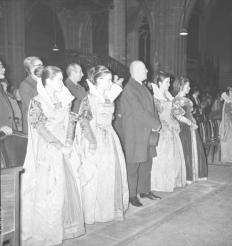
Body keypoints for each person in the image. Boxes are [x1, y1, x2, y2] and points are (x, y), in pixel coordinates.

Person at [21, 66, 85, 246]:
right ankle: (48, 231)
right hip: (48, 148)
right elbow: (39, 127)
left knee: (65, 187)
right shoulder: (37, 101)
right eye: (58, 79)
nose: (61, 82)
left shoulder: (65, 97)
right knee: (49, 190)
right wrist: (58, 146)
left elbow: (70, 120)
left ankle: (63, 227)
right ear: (48, 81)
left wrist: (69, 141)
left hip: (64, 145)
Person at [77, 65, 129, 224]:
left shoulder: (106, 96)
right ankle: (95, 212)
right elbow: (83, 121)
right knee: (96, 175)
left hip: (110, 137)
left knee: (110, 173)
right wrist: (92, 142)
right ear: (98, 80)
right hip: (95, 137)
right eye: (107, 79)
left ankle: (108, 209)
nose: (110, 82)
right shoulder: (90, 98)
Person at [118, 60, 161, 207]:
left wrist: (155, 123)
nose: (147, 71)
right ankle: (131, 195)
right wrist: (155, 124)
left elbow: (151, 109)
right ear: (135, 71)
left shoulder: (141, 86)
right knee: (134, 165)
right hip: (135, 133)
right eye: (144, 69)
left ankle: (144, 190)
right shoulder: (130, 89)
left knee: (146, 162)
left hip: (146, 131)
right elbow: (138, 111)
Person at [151, 71, 186, 192]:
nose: (169, 84)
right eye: (167, 82)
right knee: (163, 156)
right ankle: (161, 182)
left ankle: (172, 180)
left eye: (169, 82)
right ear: (159, 83)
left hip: (171, 129)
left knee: (174, 155)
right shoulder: (155, 98)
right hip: (162, 130)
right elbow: (157, 114)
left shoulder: (168, 96)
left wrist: (174, 103)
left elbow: (178, 111)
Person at [172, 76, 208, 183]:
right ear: (181, 86)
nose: (189, 88)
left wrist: (193, 122)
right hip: (183, 128)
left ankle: (195, 174)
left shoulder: (187, 99)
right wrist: (190, 123)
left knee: (194, 149)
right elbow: (178, 116)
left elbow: (189, 114)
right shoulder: (176, 100)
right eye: (187, 86)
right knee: (186, 150)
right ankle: (187, 176)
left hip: (191, 126)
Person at [19, 56, 43, 133]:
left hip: (44, 124)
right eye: (39, 65)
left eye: (42, 65)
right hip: (33, 125)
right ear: (30, 68)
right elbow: (32, 107)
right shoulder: (25, 84)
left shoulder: (44, 82)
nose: (42, 67)